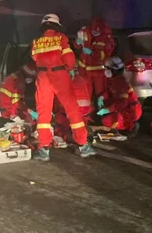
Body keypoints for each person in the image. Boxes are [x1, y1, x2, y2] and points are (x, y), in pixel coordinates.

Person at [31, 13, 97, 161]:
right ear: (57, 25)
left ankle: (44, 149)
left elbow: (35, 58)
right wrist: (69, 69)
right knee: (72, 109)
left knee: (43, 112)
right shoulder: (61, 37)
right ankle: (83, 145)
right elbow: (68, 57)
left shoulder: (36, 41)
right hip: (59, 74)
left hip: (43, 76)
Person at [96, 57, 142, 138]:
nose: (105, 70)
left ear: (113, 70)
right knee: (106, 104)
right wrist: (102, 97)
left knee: (105, 121)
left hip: (130, 112)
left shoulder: (120, 82)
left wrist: (107, 110)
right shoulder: (116, 79)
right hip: (129, 108)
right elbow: (111, 91)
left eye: (107, 68)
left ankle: (126, 127)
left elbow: (122, 104)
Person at [76, 16, 116, 102]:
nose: (95, 33)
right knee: (85, 94)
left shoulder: (107, 39)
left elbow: (105, 55)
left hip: (98, 72)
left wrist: (92, 53)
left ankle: (101, 111)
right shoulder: (85, 32)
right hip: (84, 70)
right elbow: (77, 46)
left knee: (100, 94)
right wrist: (77, 41)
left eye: (97, 32)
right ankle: (87, 112)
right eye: (94, 31)